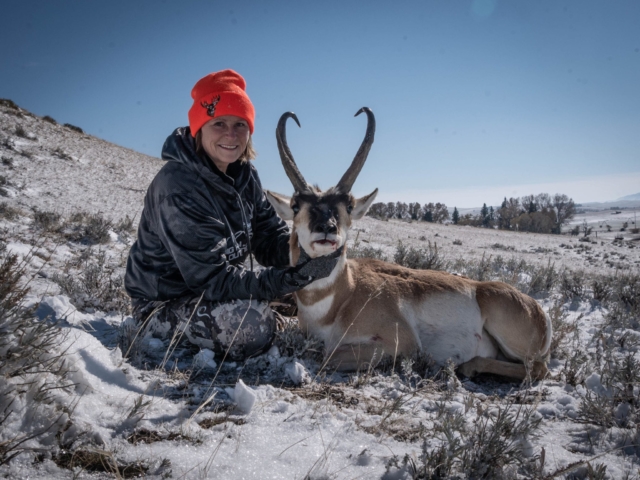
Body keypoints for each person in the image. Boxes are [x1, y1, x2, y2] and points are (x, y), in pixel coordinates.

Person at [122, 69, 340, 362]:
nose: (231, 134)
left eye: (240, 124)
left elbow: (268, 233)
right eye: (219, 124)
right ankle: (277, 329)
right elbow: (212, 279)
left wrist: (303, 254)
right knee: (253, 326)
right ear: (200, 128)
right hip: (166, 302)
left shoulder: (245, 175)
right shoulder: (178, 188)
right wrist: (285, 280)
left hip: (219, 288)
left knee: (320, 292)